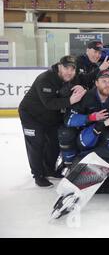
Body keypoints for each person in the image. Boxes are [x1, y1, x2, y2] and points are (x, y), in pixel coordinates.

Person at [18, 55, 87, 187]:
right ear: (59, 66)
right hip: (31, 116)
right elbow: (49, 103)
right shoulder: (45, 79)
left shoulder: (72, 77)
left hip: (51, 116)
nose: (69, 72)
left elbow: (87, 80)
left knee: (54, 142)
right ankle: (38, 175)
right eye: (66, 68)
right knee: (36, 144)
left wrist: (82, 88)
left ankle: (49, 169)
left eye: (72, 69)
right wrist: (71, 100)